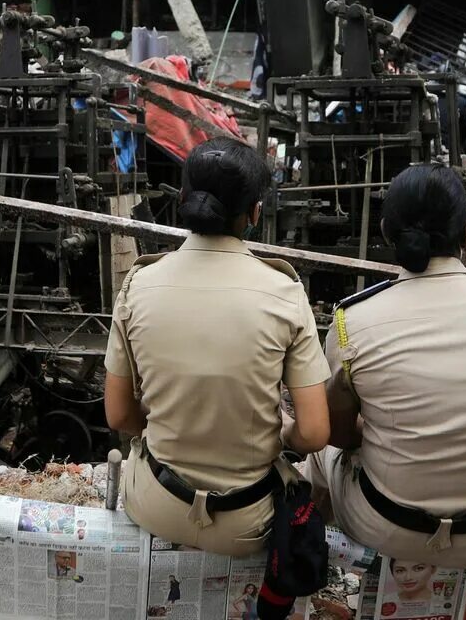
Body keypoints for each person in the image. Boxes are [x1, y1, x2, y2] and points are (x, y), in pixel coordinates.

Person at [308, 166, 466, 569]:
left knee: (318, 455)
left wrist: (387, 429)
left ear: (387, 230)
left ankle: (312, 557)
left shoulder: (353, 321)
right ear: (465, 232)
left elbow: (336, 433)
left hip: (385, 525)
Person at [106, 139, 330, 558]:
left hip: (156, 505)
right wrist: (281, 432)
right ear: (254, 214)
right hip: (247, 524)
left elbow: (119, 414)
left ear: (184, 199)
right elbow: (316, 433)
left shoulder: (138, 285)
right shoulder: (284, 292)